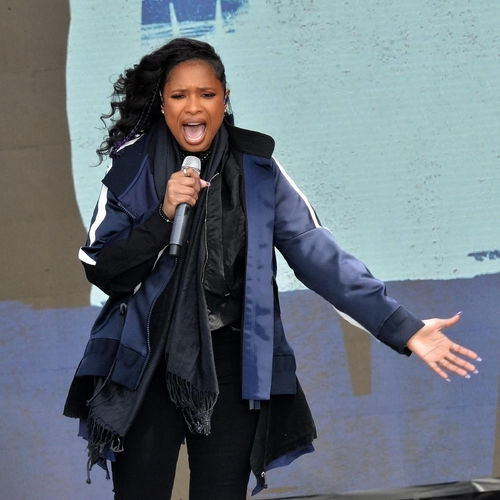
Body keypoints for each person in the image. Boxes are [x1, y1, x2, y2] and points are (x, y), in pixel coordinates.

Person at [64, 38, 480, 500]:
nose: (193, 107)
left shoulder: (257, 168)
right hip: (145, 356)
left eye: (206, 94)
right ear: (163, 104)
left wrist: (404, 328)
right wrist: (163, 218)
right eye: (179, 95)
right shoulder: (133, 165)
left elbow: (316, 254)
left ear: (224, 100)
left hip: (230, 361)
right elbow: (102, 267)